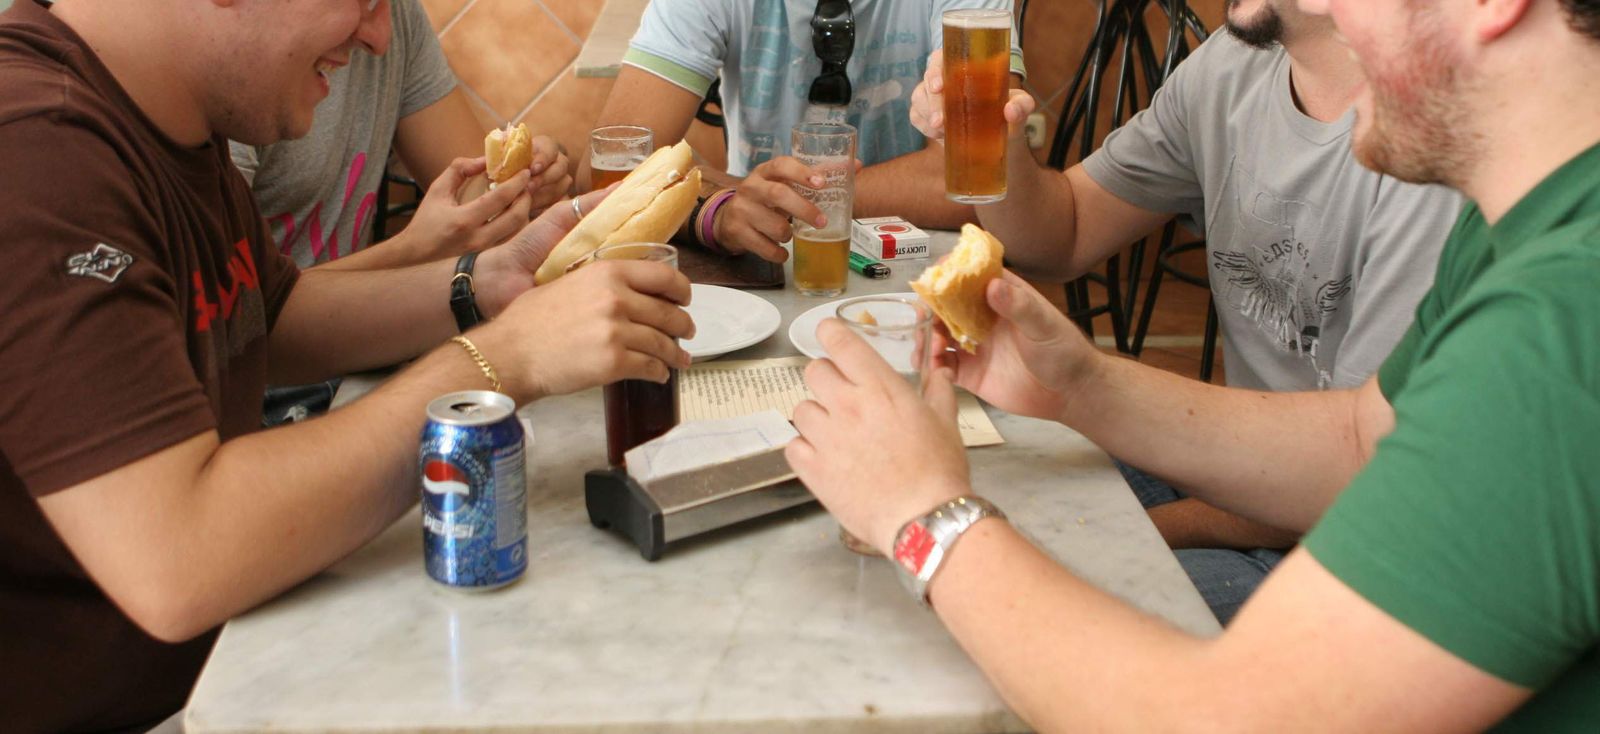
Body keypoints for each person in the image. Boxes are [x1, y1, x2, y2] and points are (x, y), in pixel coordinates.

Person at [789, 0, 1600, 727]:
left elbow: (1220, 714)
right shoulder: (1528, 217)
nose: (1328, 16)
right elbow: (1360, 442)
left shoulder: (1561, 322)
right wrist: (1079, 381)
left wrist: (925, 515)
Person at [0, 1, 692, 730]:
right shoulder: (39, 154)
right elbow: (178, 558)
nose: (379, 35)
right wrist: (508, 357)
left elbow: (271, 315)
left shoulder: (163, 110)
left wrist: (484, 283)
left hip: (232, 668)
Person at [908, 0, 1464, 624]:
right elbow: (1060, 236)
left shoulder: (1432, 148)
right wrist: (1000, 146)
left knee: (992, 610)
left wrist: (1109, 532)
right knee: (976, 474)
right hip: (1233, 470)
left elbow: (1358, 478)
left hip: (1337, 559)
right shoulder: (1235, 63)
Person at [589, 0, 1024, 263]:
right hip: (763, 258)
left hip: (922, 262)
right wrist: (719, 208)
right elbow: (616, 175)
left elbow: (976, 182)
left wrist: (760, 197)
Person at [231, 0, 572, 273]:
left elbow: (472, 195)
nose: (381, 40)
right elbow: (248, 327)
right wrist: (413, 251)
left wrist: (521, 181)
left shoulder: (398, 17)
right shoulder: (235, 86)